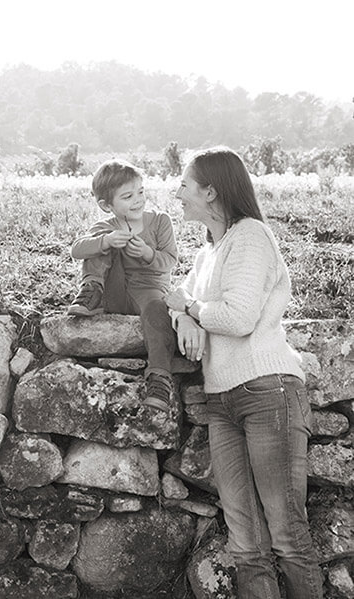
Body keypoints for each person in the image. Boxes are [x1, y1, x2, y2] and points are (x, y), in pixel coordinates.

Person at [166, 146, 322, 598]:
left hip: (267, 392)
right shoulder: (205, 256)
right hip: (221, 399)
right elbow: (179, 302)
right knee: (245, 544)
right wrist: (184, 317)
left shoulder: (251, 236)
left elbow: (238, 318)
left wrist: (191, 308)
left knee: (287, 534)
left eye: (183, 184)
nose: (176, 193)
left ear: (210, 191)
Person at [67, 159, 179, 411]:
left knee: (157, 311)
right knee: (102, 242)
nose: (138, 200)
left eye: (140, 192)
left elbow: (170, 260)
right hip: (114, 293)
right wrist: (106, 241)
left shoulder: (160, 221)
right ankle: (91, 292)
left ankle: (159, 378)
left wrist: (149, 253)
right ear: (107, 205)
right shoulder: (107, 226)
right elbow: (77, 249)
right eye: (128, 196)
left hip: (149, 292)